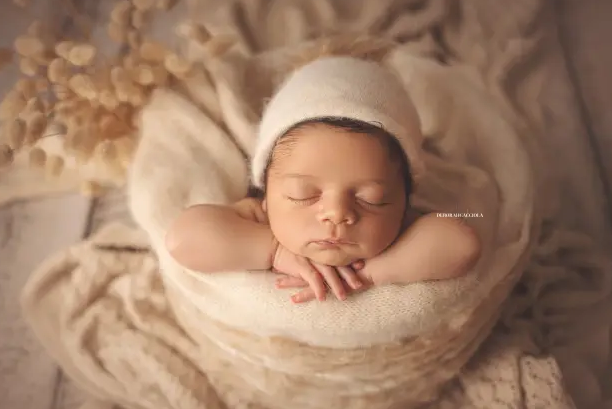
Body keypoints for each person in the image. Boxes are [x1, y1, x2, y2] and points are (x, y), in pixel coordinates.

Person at [165, 53, 480, 304]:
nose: (337, 213)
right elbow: (183, 239)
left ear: (403, 200)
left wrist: (372, 273)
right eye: (302, 194)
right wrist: (274, 250)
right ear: (266, 192)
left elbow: (461, 244)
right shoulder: (260, 216)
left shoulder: (398, 229)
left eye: (371, 199)